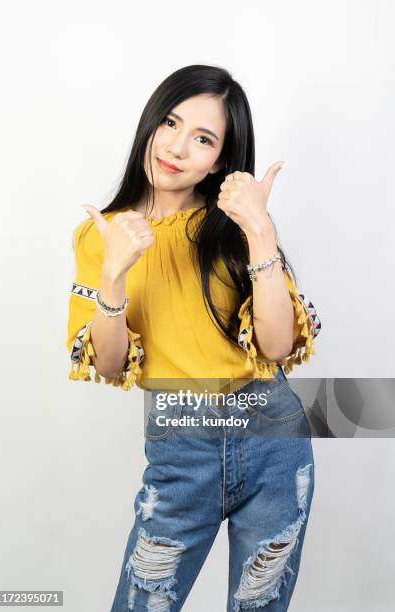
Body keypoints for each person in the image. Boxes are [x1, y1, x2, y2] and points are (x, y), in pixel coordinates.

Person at [66, 65, 322, 611]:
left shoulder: (237, 225)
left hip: (273, 435)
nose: (177, 147)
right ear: (151, 123)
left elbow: (277, 348)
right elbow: (109, 365)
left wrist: (260, 231)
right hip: (181, 448)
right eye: (170, 123)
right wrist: (113, 275)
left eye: (203, 138)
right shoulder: (101, 235)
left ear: (222, 160)